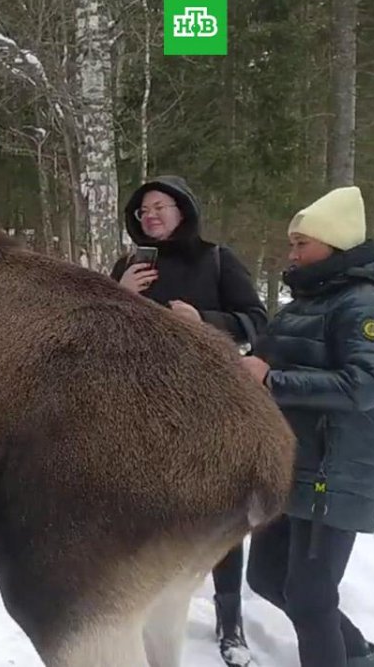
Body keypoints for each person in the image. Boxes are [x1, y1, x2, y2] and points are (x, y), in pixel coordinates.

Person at [110, 175, 267, 666]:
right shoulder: (128, 266)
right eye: (143, 210)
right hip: (140, 404)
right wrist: (118, 293)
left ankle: (230, 623)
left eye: (160, 206)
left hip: (206, 405)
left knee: (219, 511)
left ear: (183, 210)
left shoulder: (217, 259)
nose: (150, 215)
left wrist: (205, 322)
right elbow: (95, 329)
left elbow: (257, 321)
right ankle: (143, 605)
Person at [241, 186, 374, 667]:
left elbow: (365, 386)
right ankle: (359, 655)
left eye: (301, 243)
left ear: (334, 243)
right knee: (267, 578)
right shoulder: (305, 303)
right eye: (292, 243)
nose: (292, 253)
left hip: (335, 471)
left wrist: (273, 381)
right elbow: (267, 358)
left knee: (310, 597)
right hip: (292, 464)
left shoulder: (365, 306)